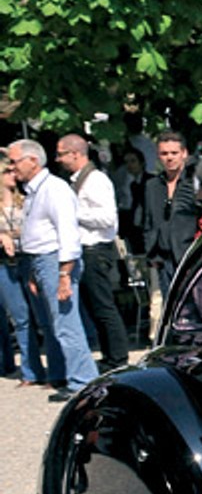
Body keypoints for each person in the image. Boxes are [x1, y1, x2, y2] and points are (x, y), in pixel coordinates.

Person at [6, 138, 99, 399]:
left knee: (66, 324)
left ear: (32, 161)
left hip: (55, 260)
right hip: (41, 261)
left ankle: (83, 380)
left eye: (15, 162)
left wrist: (64, 274)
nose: (12, 168)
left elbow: (68, 234)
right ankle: (67, 375)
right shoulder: (36, 191)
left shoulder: (55, 189)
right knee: (55, 324)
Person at [55, 134, 129, 369]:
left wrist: (72, 213)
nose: (58, 159)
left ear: (75, 154)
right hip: (84, 250)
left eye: (61, 154)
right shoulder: (77, 180)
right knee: (94, 307)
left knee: (103, 305)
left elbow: (108, 219)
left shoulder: (95, 180)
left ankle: (118, 357)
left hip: (96, 250)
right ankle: (109, 356)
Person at [142, 130, 201, 299]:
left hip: (189, 256)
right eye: (164, 153)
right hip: (162, 259)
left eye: (174, 153)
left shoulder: (193, 184)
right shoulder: (152, 185)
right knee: (170, 308)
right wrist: (151, 252)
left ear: (184, 154)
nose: (169, 158)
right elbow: (148, 221)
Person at [0, 157, 43, 384]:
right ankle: (30, 371)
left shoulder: (26, 201)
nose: (12, 174)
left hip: (26, 260)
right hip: (4, 265)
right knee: (20, 317)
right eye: (7, 171)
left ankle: (43, 369)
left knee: (37, 315)